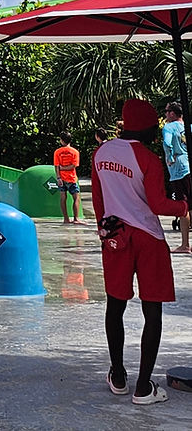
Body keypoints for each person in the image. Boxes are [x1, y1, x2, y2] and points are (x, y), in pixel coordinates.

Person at [92, 97, 188, 405]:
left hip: (116, 236)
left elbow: (97, 200)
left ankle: (118, 376)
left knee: (115, 306)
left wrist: (105, 231)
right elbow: (159, 205)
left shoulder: (100, 153)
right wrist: (185, 205)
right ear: (145, 128)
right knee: (152, 310)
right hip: (148, 238)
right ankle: (144, 387)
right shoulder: (148, 158)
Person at [162, 101, 191, 254]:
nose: (165, 114)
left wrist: (170, 155)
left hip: (179, 168)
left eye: (166, 112)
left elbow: (167, 143)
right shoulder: (189, 127)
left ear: (172, 113)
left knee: (183, 205)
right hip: (189, 165)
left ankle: (185, 244)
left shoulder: (169, 127)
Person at [53, 132, 83, 224]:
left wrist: (58, 177)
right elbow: (74, 166)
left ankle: (66, 219)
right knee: (76, 198)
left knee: (63, 198)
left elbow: (56, 166)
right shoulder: (75, 152)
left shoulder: (57, 152)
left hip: (61, 178)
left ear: (62, 140)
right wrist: (65, 168)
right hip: (71, 178)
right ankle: (76, 218)